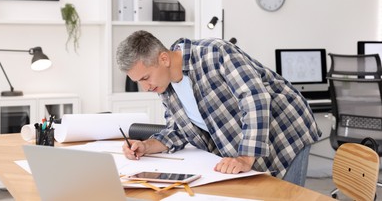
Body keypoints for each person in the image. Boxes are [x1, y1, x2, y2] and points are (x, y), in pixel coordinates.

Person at [116, 30, 321, 186]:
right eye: (139, 82)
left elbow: (254, 97)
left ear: (164, 58)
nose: (146, 87)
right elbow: (178, 131)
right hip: (249, 144)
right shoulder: (166, 87)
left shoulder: (214, 53)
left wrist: (244, 157)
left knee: (288, 198)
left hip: (286, 132)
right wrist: (146, 146)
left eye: (145, 78)